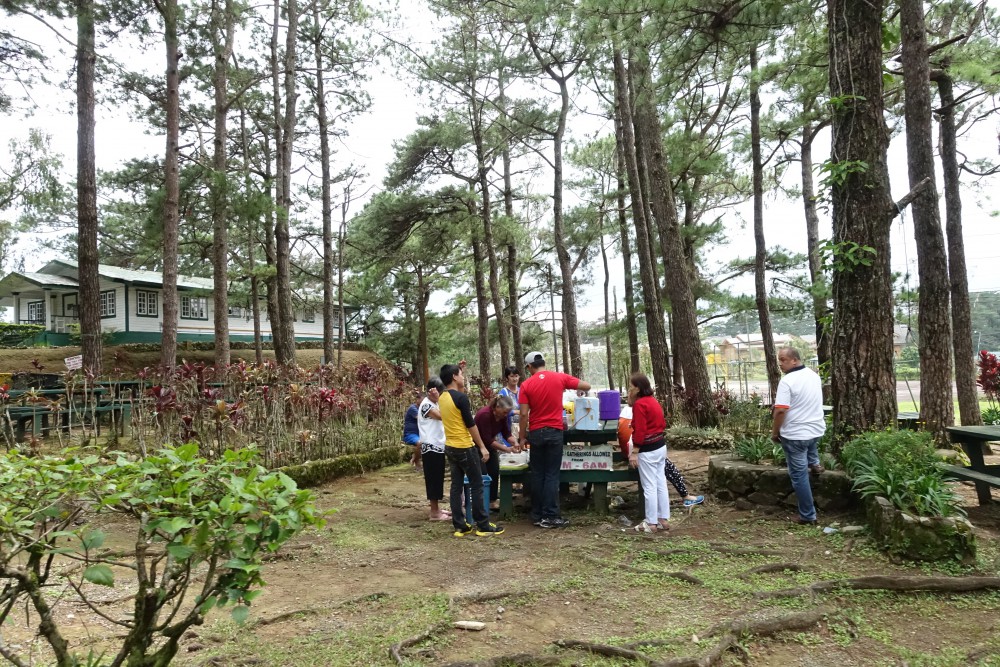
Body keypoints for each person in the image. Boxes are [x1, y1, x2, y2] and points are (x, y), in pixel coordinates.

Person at [517, 351, 591, 529]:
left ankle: (536, 514)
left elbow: (524, 414)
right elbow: (586, 385)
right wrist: (578, 390)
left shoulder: (526, 385)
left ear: (529, 367)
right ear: (543, 362)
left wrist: (521, 437)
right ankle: (550, 515)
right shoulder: (559, 377)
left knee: (537, 474)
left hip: (536, 432)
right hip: (554, 431)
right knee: (551, 474)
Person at [439, 363, 504, 537]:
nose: (463, 377)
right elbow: (471, 425)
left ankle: (460, 525)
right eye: (460, 374)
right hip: (465, 447)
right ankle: (482, 525)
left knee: (456, 486)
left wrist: (460, 370)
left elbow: (456, 409)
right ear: (454, 377)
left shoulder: (442, 397)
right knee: (477, 484)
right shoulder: (460, 399)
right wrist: (482, 446)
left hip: (450, 447)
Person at [771, 346, 826, 526]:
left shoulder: (787, 381)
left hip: (795, 435)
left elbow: (780, 410)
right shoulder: (813, 376)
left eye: (783, 359)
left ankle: (808, 515)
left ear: (795, 360)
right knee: (809, 442)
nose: (780, 363)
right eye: (779, 359)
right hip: (815, 430)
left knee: (799, 476)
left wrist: (775, 432)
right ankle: (815, 464)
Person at [619, 400, 704, 508]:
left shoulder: (625, 412)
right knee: (668, 469)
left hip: (630, 452)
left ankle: (660, 512)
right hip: (640, 454)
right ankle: (684, 497)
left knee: (663, 467)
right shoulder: (642, 409)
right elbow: (641, 436)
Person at [626, 373, 671, 533]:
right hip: (660, 446)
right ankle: (662, 518)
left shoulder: (640, 405)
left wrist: (635, 451)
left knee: (649, 486)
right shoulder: (653, 401)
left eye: (631, 387)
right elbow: (662, 423)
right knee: (660, 483)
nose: (629, 389)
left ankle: (650, 522)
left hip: (648, 449)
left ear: (637, 388)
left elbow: (640, 431)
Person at [475, 394, 518, 511]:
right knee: (483, 473)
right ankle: (481, 501)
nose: (506, 415)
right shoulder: (485, 415)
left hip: (489, 446)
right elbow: (487, 439)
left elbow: (506, 433)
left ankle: (492, 500)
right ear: (497, 408)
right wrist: (507, 449)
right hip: (477, 446)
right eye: (504, 412)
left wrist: (515, 442)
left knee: (494, 470)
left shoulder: (502, 417)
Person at [418, 377, 450, 521]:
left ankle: (436, 509)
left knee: (437, 478)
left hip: (437, 446)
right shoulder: (426, 405)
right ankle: (434, 513)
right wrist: (439, 400)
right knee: (433, 479)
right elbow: (443, 416)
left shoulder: (434, 403)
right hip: (431, 447)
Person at [497, 365, 520, 432]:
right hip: (508, 428)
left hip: (522, 427)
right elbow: (498, 411)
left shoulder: (522, 391)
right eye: (512, 376)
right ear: (507, 378)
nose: (515, 379)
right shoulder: (503, 393)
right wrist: (515, 412)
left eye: (516, 376)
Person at [401, 401, 421, 469]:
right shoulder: (413, 408)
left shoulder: (422, 408)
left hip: (420, 434)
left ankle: (414, 457)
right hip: (410, 434)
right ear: (418, 399)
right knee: (420, 443)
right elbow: (420, 418)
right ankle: (417, 462)